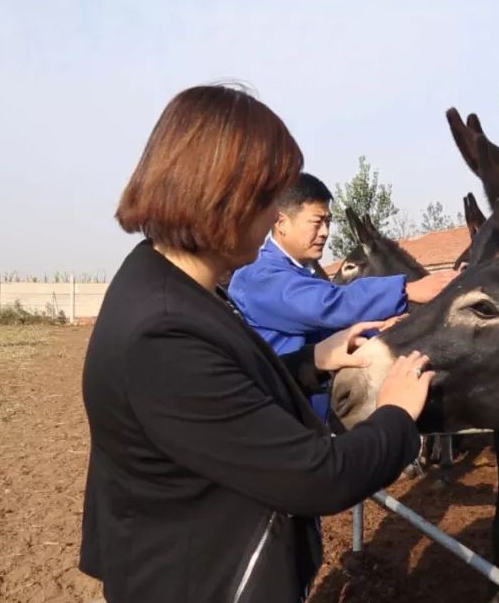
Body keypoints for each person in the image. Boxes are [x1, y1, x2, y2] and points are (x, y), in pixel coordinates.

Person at [78, 84, 435, 603]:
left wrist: (315, 361)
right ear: (224, 196)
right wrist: (397, 415)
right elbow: (320, 476)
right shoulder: (162, 333)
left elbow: (225, 396)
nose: (274, 218)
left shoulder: (167, 283)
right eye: (269, 199)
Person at [228, 172, 456, 420]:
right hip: (279, 417)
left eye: (328, 222)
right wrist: (407, 290)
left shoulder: (304, 276)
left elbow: (333, 334)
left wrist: (381, 330)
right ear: (281, 222)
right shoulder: (257, 277)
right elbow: (327, 306)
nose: (325, 232)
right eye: (317, 222)